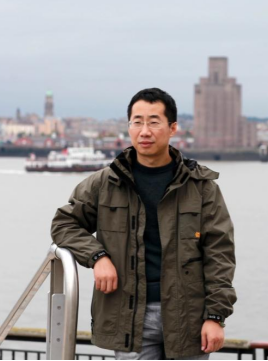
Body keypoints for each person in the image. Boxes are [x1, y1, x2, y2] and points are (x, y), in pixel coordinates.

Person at [51, 88, 236, 360]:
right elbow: (64, 223)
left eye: (153, 122)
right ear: (129, 127)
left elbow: (219, 253)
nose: (144, 131)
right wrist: (97, 256)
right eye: (137, 122)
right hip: (130, 317)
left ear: (172, 128)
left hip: (189, 317)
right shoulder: (106, 183)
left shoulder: (201, 187)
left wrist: (216, 316)